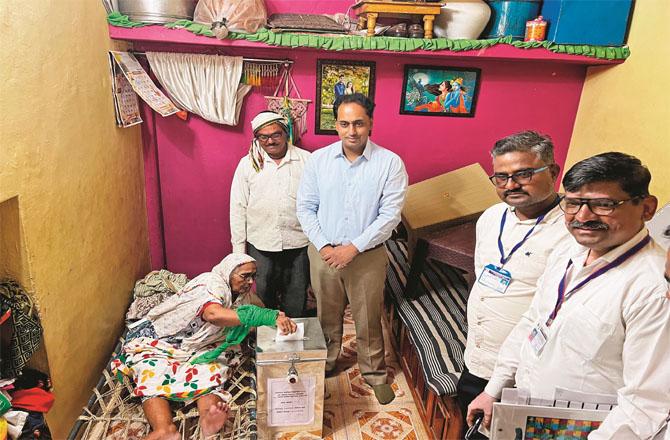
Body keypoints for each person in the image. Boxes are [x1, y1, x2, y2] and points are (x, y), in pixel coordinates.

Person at [467, 152, 670, 439]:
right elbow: (532, 322)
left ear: (647, 208)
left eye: (603, 204)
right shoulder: (569, 251)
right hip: (530, 414)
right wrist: (493, 389)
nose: (583, 217)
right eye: (573, 203)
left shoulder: (655, 288)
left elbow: (645, 403)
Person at [296, 93, 408, 405]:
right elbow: (305, 208)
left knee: (368, 317)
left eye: (358, 123)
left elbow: (390, 217)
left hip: (368, 256)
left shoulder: (389, 163)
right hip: (323, 254)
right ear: (336, 126)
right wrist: (325, 246)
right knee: (326, 313)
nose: (352, 131)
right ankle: (329, 362)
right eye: (344, 124)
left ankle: (374, 374)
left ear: (370, 123)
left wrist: (353, 249)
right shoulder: (319, 160)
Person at [112, 254, 297, 440]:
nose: (250, 281)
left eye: (253, 276)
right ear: (229, 273)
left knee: (213, 368)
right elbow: (212, 314)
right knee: (150, 370)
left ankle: (209, 416)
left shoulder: (242, 296)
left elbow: (259, 309)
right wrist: (262, 316)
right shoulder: (213, 283)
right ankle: (164, 429)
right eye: (244, 276)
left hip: (201, 347)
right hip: (163, 341)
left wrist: (275, 317)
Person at [456, 131, 570, 428]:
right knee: (468, 427)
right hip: (477, 358)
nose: (511, 185)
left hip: (523, 372)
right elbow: (482, 275)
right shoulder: (492, 217)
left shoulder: (571, 231)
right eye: (501, 177)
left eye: (524, 174)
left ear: (554, 172)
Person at [230, 111, 311, 318]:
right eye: (263, 137)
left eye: (276, 134)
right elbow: (238, 207)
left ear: (286, 134)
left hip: (299, 243)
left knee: (297, 297)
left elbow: (318, 202)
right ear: (256, 138)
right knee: (263, 297)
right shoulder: (248, 164)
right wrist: (239, 252)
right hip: (261, 244)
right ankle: (266, 344)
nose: (270, 141)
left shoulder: (307, 161)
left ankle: (294, 342)